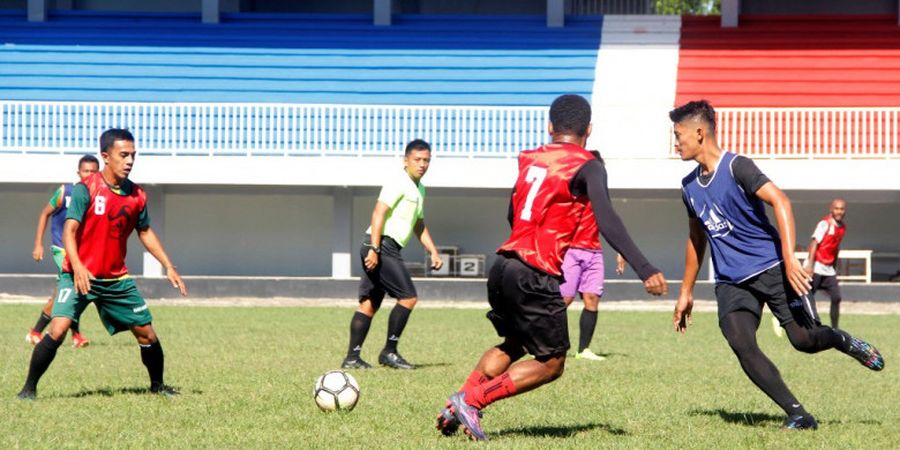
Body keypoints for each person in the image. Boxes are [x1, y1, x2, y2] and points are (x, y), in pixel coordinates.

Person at [435, 94, 667, 440]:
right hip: (534, 271)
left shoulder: (531, 160)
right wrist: (645, 267)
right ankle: (471, 401)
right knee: (552, 362)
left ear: (550, 127)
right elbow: (607, 218)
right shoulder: (588, 165)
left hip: (503, 264)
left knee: (515, 343)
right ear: (589, 130)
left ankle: (456, 406)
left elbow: (512, 213)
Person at [670, 100, 884, 431]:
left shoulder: (737, 166)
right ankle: (798, 414)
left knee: (805, 341)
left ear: (699, 132)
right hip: (731, 281)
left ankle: (843, 341)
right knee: (740, 341)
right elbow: (695, 239)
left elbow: (780, 201)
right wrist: (685, 291)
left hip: (772, 267)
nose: (675, 142)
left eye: (678, 134)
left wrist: (788, 259)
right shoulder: (688, 188)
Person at [17, 128, 187, 400]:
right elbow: (70, 231)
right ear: (106, 157)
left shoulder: (137, 195)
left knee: (146, 334)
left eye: (133, 155)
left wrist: (168, 264)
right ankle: (28, 390)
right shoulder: (86, 190)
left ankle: (157, 386)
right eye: (124, 155)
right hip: (78, 276)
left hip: (116, 280)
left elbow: (144, 231)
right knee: (58, 329)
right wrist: (79, 266)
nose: (130, 160)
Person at [340, 139, 443, 370]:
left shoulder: (419, 188)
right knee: (408, 297)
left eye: (426, 160)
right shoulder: (398, 182)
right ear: (405, 161)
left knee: (369, 304)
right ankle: (389, 352)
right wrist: (375, 249)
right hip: (382, 245)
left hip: (384, 246)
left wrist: (433, 250)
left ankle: (352, 358)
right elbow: (378, 213)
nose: (422, 164)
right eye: (417, 160)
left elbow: (418, 223)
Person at [559, 151, 625, 362]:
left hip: (594, 254)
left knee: (592, 299)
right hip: (571, 252)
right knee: (564, 300)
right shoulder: (571, 196)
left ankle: (583, 350)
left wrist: (620, 251)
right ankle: (544, 345)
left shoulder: (601, 198)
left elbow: (610, 225)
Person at [28, 155, 99, 348]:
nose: (89, 175)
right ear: (79, 173)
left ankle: (36, 331)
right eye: (86, 171)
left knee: (65, 292)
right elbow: (45, 213)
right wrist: (38, 244)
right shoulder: (65, 191)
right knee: (73, 287)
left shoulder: (98, 196)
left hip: (80, 251)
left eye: (93, 172)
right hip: (61, 248)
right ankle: (75, 336)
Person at [805, 198, 847, 328]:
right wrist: (810, 266)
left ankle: (835, 329)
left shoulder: (842, 227)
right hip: (816, 265)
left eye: (841, 209)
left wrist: (835, 266)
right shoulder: (825, 224)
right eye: (836, 208)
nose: (839, 211)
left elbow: (835, 247)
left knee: (836, 297)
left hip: (828, 269)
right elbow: (814, 243)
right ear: (831, 209)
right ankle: (802, 325)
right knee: (807, 298)